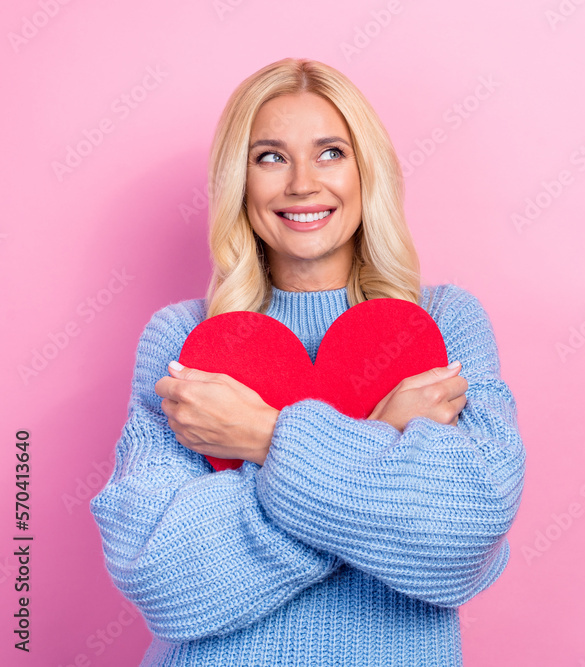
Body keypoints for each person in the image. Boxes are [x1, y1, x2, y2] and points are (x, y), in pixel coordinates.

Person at [89, 57, 526, 667]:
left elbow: (460, 539)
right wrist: (382, 437)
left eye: (330, 153)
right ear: (238, 181)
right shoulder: (184, 340)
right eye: (270, 156)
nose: (301, 184)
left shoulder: (443, 325)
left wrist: (266, 437)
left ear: (365, 170)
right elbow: (161, 573)